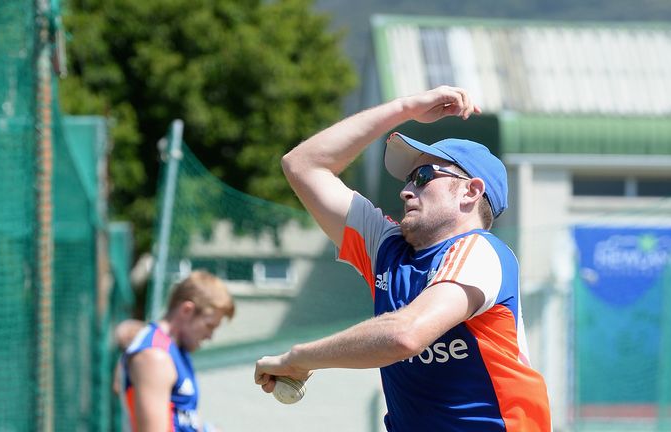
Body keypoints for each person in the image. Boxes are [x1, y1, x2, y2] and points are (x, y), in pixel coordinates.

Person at [254, 85, 551, 431]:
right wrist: (406, 107)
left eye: (424, 176)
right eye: (410, 178)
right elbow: (303, 165)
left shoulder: (481, 251)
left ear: (471, 192)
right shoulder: (387, 248)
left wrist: (301, 358)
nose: (407, 189)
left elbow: (405, 334)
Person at [123, 270, 235, 432]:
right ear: (187, 311)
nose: (210, 336)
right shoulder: (154, 357)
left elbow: (183, 419)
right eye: (209, 326)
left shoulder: (176, 350)